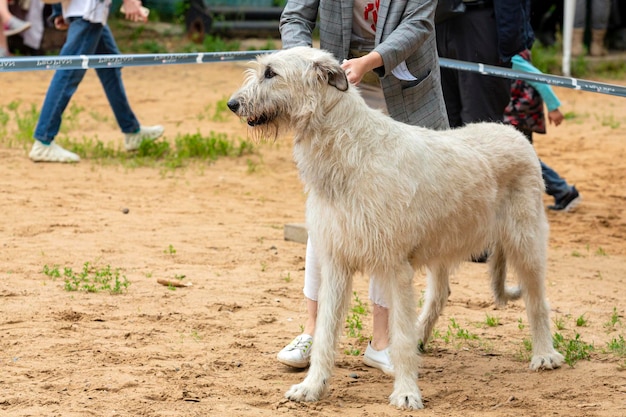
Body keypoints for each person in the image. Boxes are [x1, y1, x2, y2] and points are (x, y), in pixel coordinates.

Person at [277, 0, 449, 374]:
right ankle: (313, 331)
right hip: (333, 95)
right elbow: (294, 15)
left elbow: (418, 25)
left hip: (402, 98)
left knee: (390, 223)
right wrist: (303, 63)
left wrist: (368, 61)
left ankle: (382, 343)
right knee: (327, 212)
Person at [29, 0, 163, 163]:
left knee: (110, 67)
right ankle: (43, 141)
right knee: (69, 72)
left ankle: (132, 131)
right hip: (89, 10)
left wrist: (59, 10)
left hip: (87, 10)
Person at [503, 50, 581, 212]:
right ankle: (561, 191)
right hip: (518, 114)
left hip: (519, 115)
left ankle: (562, 191)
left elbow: (539, 79)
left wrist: (553, 107)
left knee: (521, 159)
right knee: (521, 159)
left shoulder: (512, 57)